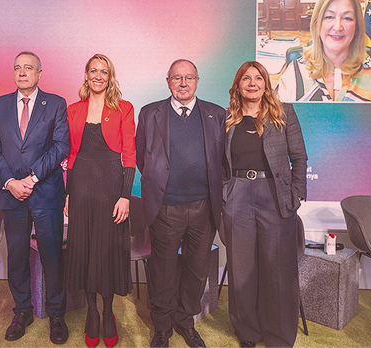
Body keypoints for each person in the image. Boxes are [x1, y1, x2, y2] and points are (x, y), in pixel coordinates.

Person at [135, 59, 226, 348]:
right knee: (162, 272)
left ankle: (186, 321)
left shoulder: (216, 114)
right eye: (177, 78)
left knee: (196, 271)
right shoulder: (150, 113)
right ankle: (162, 328)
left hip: (204, 208)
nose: (183, 83)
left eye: (189, 77)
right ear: (168, 81)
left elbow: (223, 160)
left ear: (197, 81)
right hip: (166, 207)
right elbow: (142, 157)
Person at [223, 61, 308, 347]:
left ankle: (279, 337)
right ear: (238, 85)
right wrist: (225, 193)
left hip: (274, 194)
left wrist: (296, 194)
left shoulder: (284, 114)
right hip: (237, 195)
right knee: (241, 270)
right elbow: (218, 161)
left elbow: (299, 157)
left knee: (278, 270)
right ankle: (248, 332)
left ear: (266, 84)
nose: (252, 83)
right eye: (246, 78)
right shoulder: (226, 118)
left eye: (258, 78)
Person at [0, 51, 70, 345]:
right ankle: (22, 311)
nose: (22, 72)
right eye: (17, 68)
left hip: (45, 193)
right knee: (18, 257)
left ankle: (56, 313)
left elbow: (61, 146)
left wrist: (32, 178)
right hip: (12, 195)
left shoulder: (56, 103)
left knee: (52, 256)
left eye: (28, 68)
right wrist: (10, 182)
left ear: (39, 73)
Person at [63, 54, 135, 348]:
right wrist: (68, 193)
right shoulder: (73, 109)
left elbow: (129, 154)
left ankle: (108, 313)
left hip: (111, 186)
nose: (98, 76)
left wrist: (125, 195)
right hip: (81, 187)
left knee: (106, 253)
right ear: (86, 74)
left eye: (103, 72)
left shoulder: (124, 108)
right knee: (84, 250)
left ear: (110, 76)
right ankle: (92, 313)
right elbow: (71, 155)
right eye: (93, 71)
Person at [275, 0, 371, 102]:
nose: (337, 27)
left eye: (347, 18)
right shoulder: (294, 71)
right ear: (317, 24)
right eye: (329, 17)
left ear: (357, 27)